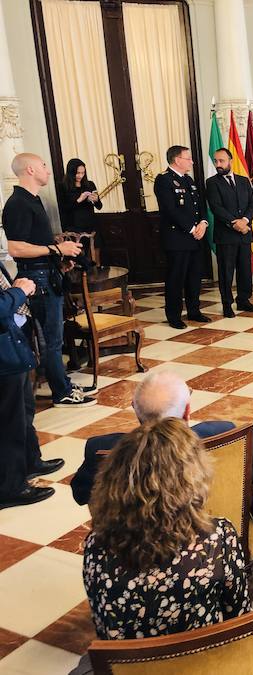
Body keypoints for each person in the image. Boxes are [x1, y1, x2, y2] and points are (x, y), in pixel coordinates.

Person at [83, 418, 252, 641]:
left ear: (114, 479)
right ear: (192, 478)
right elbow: (239, 622)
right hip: (205, 663)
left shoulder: (96, 546)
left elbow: (103, 627)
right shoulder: (218, 538)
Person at [4, 152, 96, 406]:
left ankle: (62, 383)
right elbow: (16, 249)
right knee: (50, 340)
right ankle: (61, 392)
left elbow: (36, 242)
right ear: (30, 170)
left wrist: (60, 257)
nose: (48, 169)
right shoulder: (18, 203)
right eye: (43, 165)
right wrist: (57, 250)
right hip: (37, 279)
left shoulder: (33, 200)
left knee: (54, 337)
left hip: (47, 274)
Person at [71, 371, 235, 506]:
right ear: (187, 411)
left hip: (128, 541)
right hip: (207, 533)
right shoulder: (225, 434)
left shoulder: (102, 448)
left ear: (135, 408)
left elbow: (81, 495)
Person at [0, 266, 61, 509]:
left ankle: (30, 462)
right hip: (3, 358)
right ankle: (11, 487)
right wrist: (19, 292)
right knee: (10, 423)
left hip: (12, 347)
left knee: (25, 412)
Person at [154, 145, 209, 330]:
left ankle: (194, 311)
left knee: (194, 277)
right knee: (176, 279)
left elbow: (199, 205)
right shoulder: (163, 180)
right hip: (177, 239)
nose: (191, 161)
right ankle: (174, 316)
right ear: (177, 160)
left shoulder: (188, 180)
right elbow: (170, 210)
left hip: (195, 237)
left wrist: (203, 223)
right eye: (188, 158)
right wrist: (193, 228)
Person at [206, 147, 253, 317]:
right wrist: (234, 223)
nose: (218, 164)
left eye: (221, 161)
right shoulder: (212, 182)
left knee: (244, 269)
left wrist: (244, 221)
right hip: (226, 235)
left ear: (231, 161)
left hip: (244, 232)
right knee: (226, 272)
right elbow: (216, 207)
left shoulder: (244, 181)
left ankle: (244, 300)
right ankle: (227, 304)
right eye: (216, 161)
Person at [58, 158, 102, 242]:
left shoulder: (90, 184)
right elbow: (63, 208)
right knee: (78, 252)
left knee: (95, 250)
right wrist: (79, 200)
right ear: (71, 172)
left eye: (83, 173)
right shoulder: (62, 186)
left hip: (90, 224)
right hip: (73, 226)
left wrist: (96, 200)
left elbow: (99, 206)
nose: (80, 176)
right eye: (78, 173)